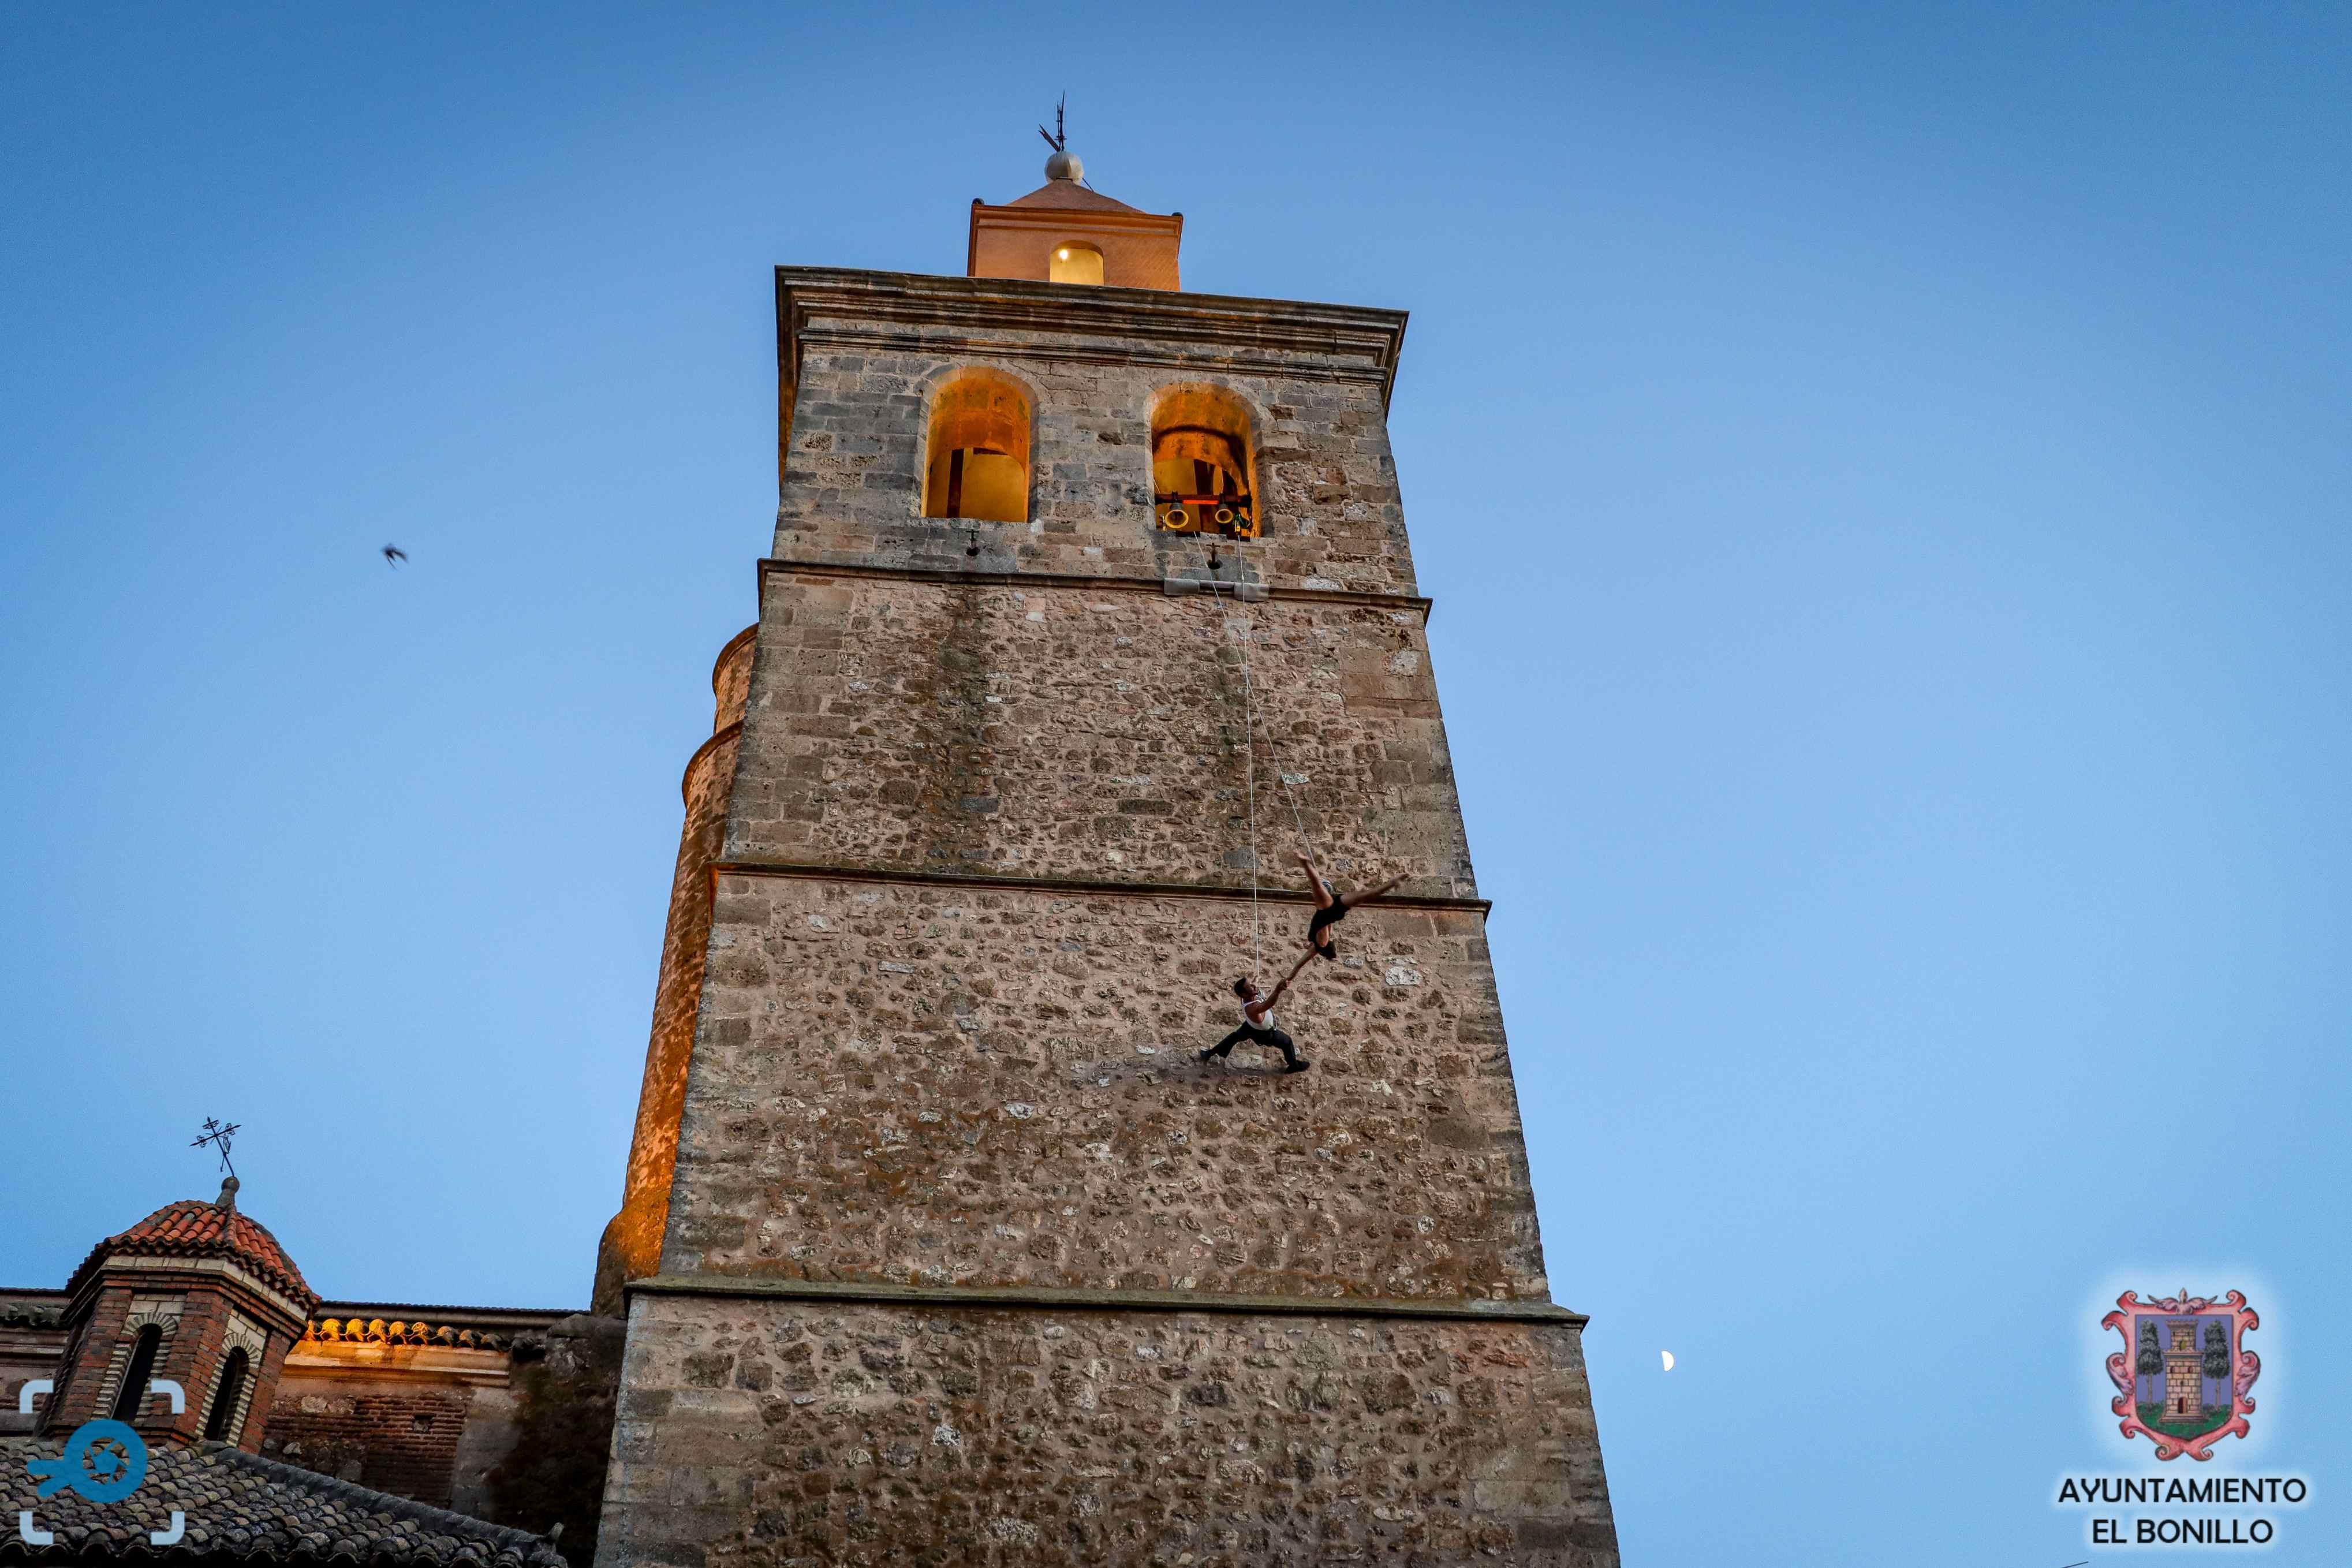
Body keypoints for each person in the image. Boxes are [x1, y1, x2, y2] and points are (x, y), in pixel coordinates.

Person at [1201, 949, 1314, 1073]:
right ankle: (1294, 1066)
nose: (1253, 986)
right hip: (1264, 1034)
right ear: (1244, 994)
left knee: (1235, 1037)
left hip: (1249, 1026)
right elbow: (1268, 1004)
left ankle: (1209, 1054)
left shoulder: (1247, 996)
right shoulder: (1252, 1008)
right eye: (1250, 986)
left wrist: (1254, 982)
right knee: (1287, 1042)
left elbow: (1254, 991)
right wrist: (1278, 990)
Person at [1296, 849, 1403, 962]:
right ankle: (1305, 864)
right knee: (1316, 884)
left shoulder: (1323, 942)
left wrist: (1289, 978)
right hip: (1326, 912)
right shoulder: (1321, 945)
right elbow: (1323, 923)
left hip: (1335, 911)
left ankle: (1392, 883)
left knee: (1367, 896)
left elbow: (1299, 964)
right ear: (1323, 953)